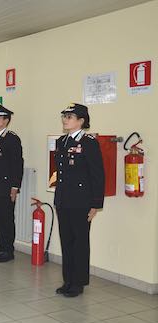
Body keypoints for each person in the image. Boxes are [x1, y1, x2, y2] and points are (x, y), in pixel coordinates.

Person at [54, 103, 104, 297]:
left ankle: (78, 282)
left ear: (81, 120)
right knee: (66, 241)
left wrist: (95, 204)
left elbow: (97, 175)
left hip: (81, 201)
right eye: (64, 116)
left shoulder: (89, 142)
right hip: (64, 200)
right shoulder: (61, 141)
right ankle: (68, 280)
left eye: (70, 116)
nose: (65, 119)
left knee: (80, 242)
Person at [0, 103, 23, 263]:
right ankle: (2, 248)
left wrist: (15, 186)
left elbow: (17, 164)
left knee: (7, 219)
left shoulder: (12, 139)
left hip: (7, 187)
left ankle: (8, 250)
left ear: (6, 120)